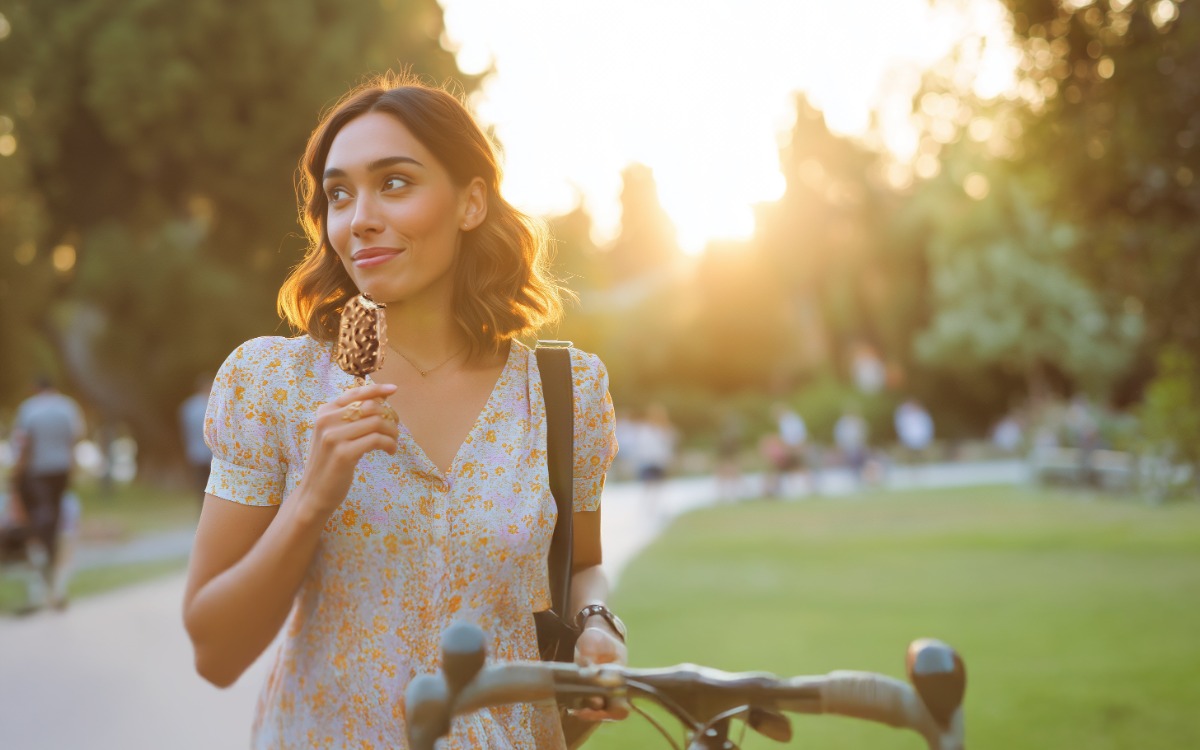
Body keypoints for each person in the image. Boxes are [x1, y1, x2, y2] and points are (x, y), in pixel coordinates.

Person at [182, 75, 627, 749]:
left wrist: (597, 622)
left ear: (471, 202)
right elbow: (214, 652)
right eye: (339, 194)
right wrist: (310, 499)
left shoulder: (564, 393)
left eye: (394, 183)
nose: (358, 217)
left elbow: (581, 563)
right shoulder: (273, 385)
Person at [11, 376, 86, 610]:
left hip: (38, 471)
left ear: (36, 389)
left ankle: (45, 559)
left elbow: (24, 443)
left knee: (42, 516)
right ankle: (51, 562)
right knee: (54, 515)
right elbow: (74, 439)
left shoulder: (29, 409)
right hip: (61, 469)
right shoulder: (68, 407)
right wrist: (72, 468)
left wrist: (17, 474)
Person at [178, 374, 214, 499]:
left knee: (201, 485)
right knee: (213, 486)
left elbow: (185, 429)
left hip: (195, 452)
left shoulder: (188, 406)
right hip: (210, 452)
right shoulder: (211, 405)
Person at [893, 398, 934, 463]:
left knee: (920, 452)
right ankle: (911, 461)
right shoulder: (905, 415)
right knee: (910, 453)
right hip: (908, 438)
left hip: (921, 438)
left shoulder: (922, 415)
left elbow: (927, 426)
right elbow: (901, 427)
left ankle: (920, 461)